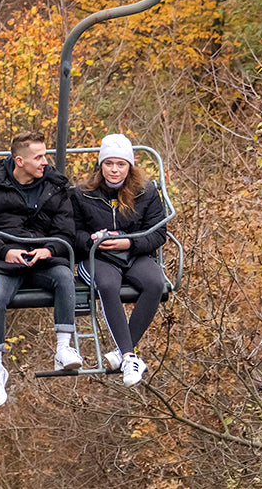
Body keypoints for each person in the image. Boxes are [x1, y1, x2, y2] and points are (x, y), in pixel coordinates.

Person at [0, 131, 83, 407]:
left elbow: (67, 230)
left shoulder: (54, 186)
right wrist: (4, 251)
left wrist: (49, 249)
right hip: (5, 260)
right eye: (38, 157)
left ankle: (63, 348)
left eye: (45, 156)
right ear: (19, 161)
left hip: (44, 259)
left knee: (65, 277)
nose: (45, 162)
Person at [71, 133, 168, 387]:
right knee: (108, 285)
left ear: (130, 165)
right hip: (98, 257)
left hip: (133, 254)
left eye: (120, 164)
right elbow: (72, 233)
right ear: (101, 165)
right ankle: (128, 357)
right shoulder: (82, 195)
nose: (114, 170)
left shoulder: (146, 192)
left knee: (156, 283)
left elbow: (158, 233)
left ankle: (124, 352)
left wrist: (130, 243)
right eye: (109, 163)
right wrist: (92, 241)